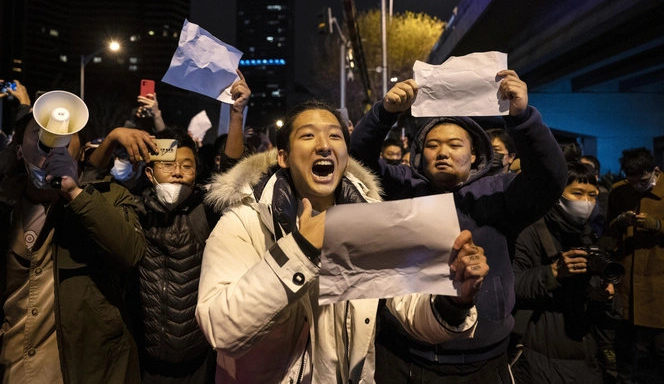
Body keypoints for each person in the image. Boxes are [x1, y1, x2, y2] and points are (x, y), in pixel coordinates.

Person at [196, 100, 488, 384]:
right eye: (308, 135)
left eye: (335, 136)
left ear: (345, 155)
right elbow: (221, 331)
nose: (324, 145)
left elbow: (410, 309)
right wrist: (301, 250)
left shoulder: (371, 221)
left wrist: (455, 299)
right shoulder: (244, 222)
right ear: (283, 156)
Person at [349, 70, 567, 383]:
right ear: (420, 155)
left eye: (454, 144)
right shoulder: (401, 188)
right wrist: (384, 114)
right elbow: (356, 165)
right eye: (433, 146)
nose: (443, 153)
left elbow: (549, 179)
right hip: (404, 356)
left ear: (475, 153)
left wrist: (521, 117)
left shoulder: (500, 192)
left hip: (484, 359)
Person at [0, 111, 146, 383]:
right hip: (7, 368)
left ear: (82, 151)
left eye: (65, 135)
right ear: (19, 151)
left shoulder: (109, 197)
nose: (53, 142)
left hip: (79, 369)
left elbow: (128, 252)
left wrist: (75, 193)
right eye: (41, 134)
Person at [87, 73, 251, 383]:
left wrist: (236, 113)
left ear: (197, 172)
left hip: (199, 363)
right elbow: (87, 190)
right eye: (168, 164)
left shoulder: (207, 210)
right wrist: (111, 139)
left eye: (187, 165)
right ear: (149, 173)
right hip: (143, 362)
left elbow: (233, 177)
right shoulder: (132, 210)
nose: (177, 172)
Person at [512, 162, 614, 383]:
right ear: (556, 193)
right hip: (540, 351)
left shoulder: (587, 235)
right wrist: (554, 272)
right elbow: (511, 284)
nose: (586, 202)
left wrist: (603, 295)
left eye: (592, 195)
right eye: (577, 193)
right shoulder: (529, 231)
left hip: (585, 349)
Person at [606, 147, 664, 382]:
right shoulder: (619, 191)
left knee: (659, 349)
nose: (638, 187)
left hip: (658, 279)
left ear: (655, 171)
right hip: (628, 279)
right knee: (627, 348)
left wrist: (656, 225)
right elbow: (607, 231)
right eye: (632, 182)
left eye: (642, 181)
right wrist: (620, 221)